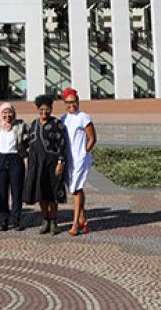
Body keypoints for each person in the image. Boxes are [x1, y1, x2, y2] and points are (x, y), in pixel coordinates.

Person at [23, 94, 66, 235]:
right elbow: (26, 142)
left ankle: (54, 221)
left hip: (53, 164)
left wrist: (61, 162)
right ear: (37, 109)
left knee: (52, 193)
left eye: (47, 109)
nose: (44, 112)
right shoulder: (34, 125)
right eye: (41, 109)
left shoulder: (56, 124)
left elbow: (62, 144)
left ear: (51, 109)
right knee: (41, 193)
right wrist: (25, 157)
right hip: (37, 165)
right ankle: (45, 219)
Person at [61, 87, 97, 236]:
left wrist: (84, 152)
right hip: (69, 158)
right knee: (75, 189)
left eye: (74, 102)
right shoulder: (63, 119)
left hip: (80, 159)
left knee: (76, 188)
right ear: (64, 103)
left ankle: (75, 223)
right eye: (69, 102)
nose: (72, 105)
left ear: (78, 101)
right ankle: (83, 218)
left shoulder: (84, 117)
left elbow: (92, 138)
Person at [0, 102, 28, 231]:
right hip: (1, 158)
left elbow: (27, 141)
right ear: (0, 114)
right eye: (4, 113)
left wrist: (26, 157)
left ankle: (16, 219)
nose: (7, 115)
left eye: (10, 112)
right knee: (2, 192)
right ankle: (3, 220)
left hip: (15, 158)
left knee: (17, 191)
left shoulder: (20, 125)